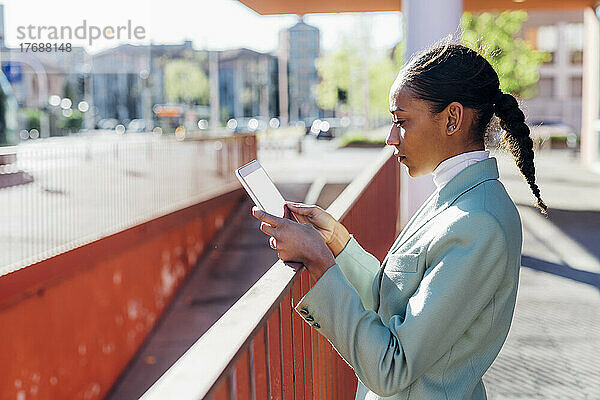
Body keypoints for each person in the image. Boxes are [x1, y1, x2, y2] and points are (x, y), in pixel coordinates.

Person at [252, 43, 546, 399]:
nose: (391, 138)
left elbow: (391, 367)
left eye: (401, 121)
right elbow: (393, 300)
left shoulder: (478, 221)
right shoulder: (459, 198)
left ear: (452, 118)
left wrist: (319, 262)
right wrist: (336, 242)